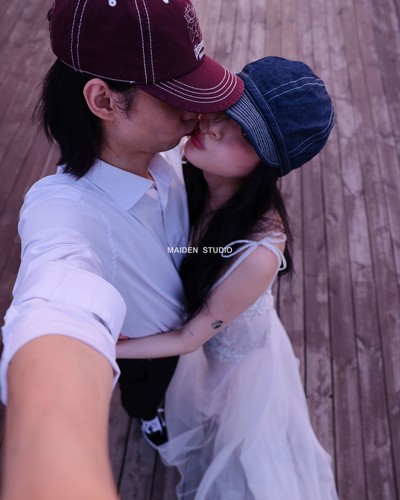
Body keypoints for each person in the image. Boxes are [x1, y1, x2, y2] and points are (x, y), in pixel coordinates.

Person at [0, 1, 244, 499]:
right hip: (142, 347)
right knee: (144, 394)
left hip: (184, 319)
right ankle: (147, 416)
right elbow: (55, 307)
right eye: (175, 94)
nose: (198, 110)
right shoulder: (65, 211)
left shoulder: (168, 150)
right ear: (104, 101)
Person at [116, 56, 339, 499]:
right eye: (227, 107)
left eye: (246, 134)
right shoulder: (188, 173)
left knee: (235, 433)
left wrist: (108, 344)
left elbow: (191, 337)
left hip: (234, 355)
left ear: (267, 164)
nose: (215, 126)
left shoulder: (258, 253)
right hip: (197, 323)